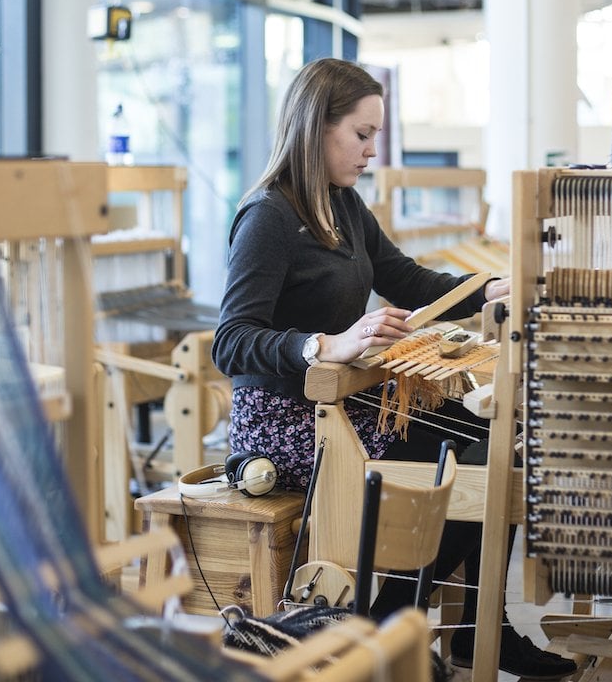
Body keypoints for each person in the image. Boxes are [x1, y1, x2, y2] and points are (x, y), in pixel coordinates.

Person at [211, 57, 576, 680]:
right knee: (480, 461)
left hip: (346, 405)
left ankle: (467, 628)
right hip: (286, 421)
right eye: (362, 134)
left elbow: (408, 280)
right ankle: (386, 630)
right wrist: (329, 344)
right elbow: (233, 341)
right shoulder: (268, 216)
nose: (371, 150)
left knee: (500, 444)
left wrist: (489, 288)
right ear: (314, 128)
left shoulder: (345, 206)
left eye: (375, 135)